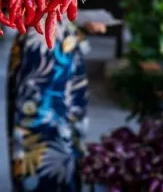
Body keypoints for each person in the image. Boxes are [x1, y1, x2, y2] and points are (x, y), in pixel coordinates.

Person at [7, 17, 105, 192]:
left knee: (64, 126)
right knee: (39, 120)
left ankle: (61, 182)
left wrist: (79, 21)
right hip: (43, 50)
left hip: (59, 47)